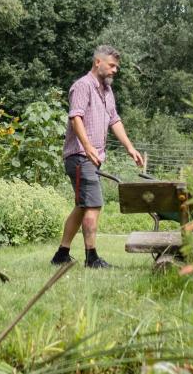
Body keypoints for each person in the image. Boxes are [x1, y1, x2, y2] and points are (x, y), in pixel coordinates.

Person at [52, 45, 144, 268]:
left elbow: (115, 120)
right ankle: (92, 258)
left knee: (84, 205)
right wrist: (88, 147)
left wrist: (130, 148)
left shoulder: (107, 91)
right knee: (94, 204)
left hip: (90, 157)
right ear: (98, 63)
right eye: (112, 65)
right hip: (80, 156)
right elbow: (76, 118)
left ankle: (61, 255)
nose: (115, 70)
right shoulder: (82, 86)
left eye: (116, 67)